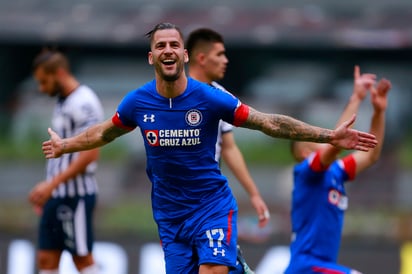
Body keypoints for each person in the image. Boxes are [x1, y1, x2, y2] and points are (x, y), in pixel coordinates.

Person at [37, 23, 377, 274]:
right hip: (170, 218)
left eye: (174, 44)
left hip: (211, 207)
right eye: (161, 45)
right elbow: (104, 133)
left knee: (212, 270)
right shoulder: (137, 102)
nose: (168, 49)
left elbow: (267, 122)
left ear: (184, 55)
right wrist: (65, 144)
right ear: (151, 56)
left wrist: (328, 136)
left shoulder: (211, 98)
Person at [284, 66, 391, 274]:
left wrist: (378, 112)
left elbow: (371, 155)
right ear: (305, 152)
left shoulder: (337, 172)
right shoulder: (306, 172)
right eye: (313, 138)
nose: (320, 137)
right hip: (307, 266)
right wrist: (356, 98)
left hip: (320, 266)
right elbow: (333, 145)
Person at [186, 27, 269, 273]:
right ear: (201, 58)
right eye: (220, 54)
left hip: (210, 204)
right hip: (175, 207)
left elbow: (229, 148)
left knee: (221, 266)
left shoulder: (220, 96)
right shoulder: (170, 95)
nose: (226, 60)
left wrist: (253, 193)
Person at [28, 50, 104, 274]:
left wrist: (51, 185)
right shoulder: (64, 101)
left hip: (75, 196)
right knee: (46, 259)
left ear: (59, 73)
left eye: (44, 81)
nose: (42, 88)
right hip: (58, 194)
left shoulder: (83, 102)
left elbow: (90, 154)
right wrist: (49, 187)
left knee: (82, 259)